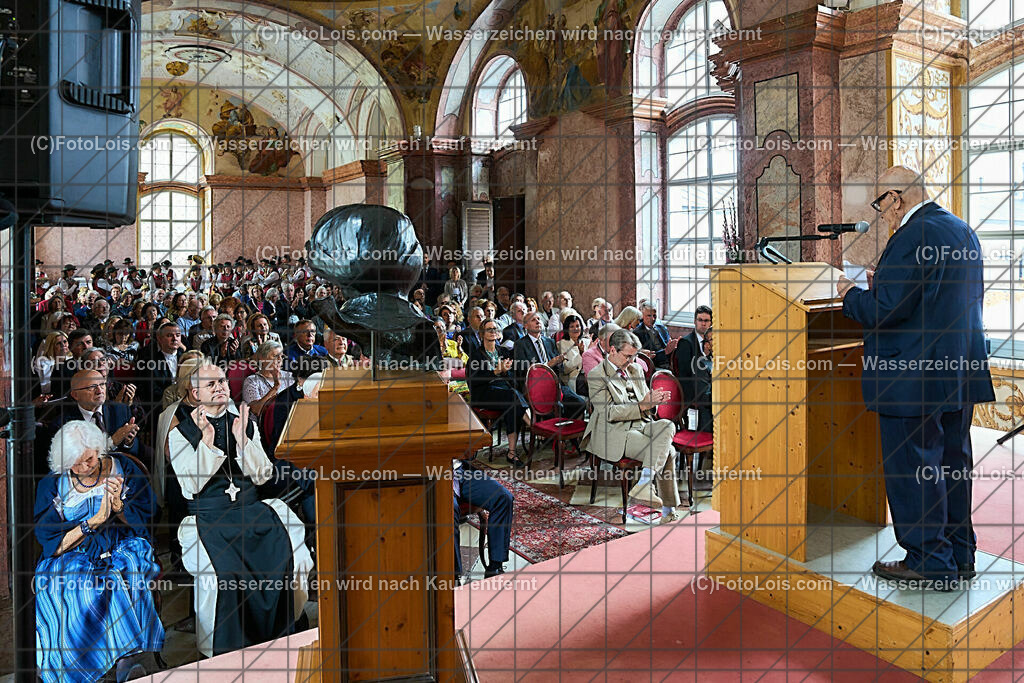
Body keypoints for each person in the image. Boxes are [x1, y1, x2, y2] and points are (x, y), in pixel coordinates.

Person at [837, 166, 995, 589]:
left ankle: (928, 559)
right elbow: (936, 297)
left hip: (910, 378)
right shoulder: (962, 230)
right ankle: (960, 554)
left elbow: (886, 310)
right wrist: (884, 284)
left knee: (914, 469)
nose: (882, 213)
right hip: (956, 374)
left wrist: (851, 295)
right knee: (952, 465)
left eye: (881, 202)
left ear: (895, 198)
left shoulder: (909, 238)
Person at [166, 360, 313, 656]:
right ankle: (229, 649)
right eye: (211, 384)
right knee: (224, 577)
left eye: (222, 381)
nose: (220, 387)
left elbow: (263, 476)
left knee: (288, 557)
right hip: (210, 520)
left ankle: (281, 632)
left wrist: (243, 442)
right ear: (195, 392)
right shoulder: (180, 432)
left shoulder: (244, 422)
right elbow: (189, 487)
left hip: (252, 511)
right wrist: (207, 442)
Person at [34, 421, 164, 683]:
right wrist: (92, 522)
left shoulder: (124, 468)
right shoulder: (53, 485)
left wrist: (119, 509)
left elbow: (149, 519)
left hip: (122, 540)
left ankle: (128, 660)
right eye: (76, 463)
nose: (85, 467)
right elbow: (50, 540)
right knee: (64, 585)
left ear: (98, 449)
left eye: (90, 459)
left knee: (122, 574)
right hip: (74, 546)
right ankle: (76, 666)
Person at [582, 329, 681, 522]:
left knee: (668, 425)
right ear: (612, 350)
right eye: (627, 356)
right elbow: (609, 413)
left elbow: (645, 404)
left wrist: (652, 402)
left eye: (634, 356)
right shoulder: (597, 375)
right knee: (667, 450)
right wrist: (643, 405)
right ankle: (667, 510)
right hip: (615, 431)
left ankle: (644, 483)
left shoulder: (635, 369)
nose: (631, 361)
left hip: (642, 423)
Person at [467, 318, 531, 466]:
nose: (492, 331)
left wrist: (505, 372)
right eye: (488, 329)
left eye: (495, 328)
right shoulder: (476, 355)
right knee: (513, 397)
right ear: (482, 334)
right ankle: (532, 424)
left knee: (513, 403)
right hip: (484, 394)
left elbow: (513, 378)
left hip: (505, 392)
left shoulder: (504, 352)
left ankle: (512, 452)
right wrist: (496, 371)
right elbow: (474, 381)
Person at [513, 311, 586, 418]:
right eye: (533, 320)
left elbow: (560, 369)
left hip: (556, 384)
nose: (538, 322)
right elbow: (523, 370)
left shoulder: (549, 342)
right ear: (526, 326)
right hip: (536, 387)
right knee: (558, 408)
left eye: (539, 319)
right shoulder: (520, 344)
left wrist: (559, 362)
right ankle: (553, 430)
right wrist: (548, 364)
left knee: (580, 403)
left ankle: (566, 430)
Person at [674, 305, 712, 402]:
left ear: (711, 323)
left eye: (706, 321)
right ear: (695, 321)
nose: (703, 324)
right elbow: (685, 374)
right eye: (700, 320)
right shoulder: (685, 343)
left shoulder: (714, 341)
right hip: (693, 388)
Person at [634, 303, 678, 369]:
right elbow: (645, 357)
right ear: (642, 316)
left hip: (669, 361)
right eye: (649, 316)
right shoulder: (637, 333)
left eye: (654, 315)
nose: (653, 319)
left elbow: (669, 345)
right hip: (653, 366)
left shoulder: (662, 328)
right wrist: (665, 352)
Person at [556, 310, 587, 389]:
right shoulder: (561, 344)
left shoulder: (587, 341)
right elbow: (565, 369)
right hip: (576, 378)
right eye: (572, 327)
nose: (575, 329)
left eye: (577, 326)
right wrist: (580, 355)